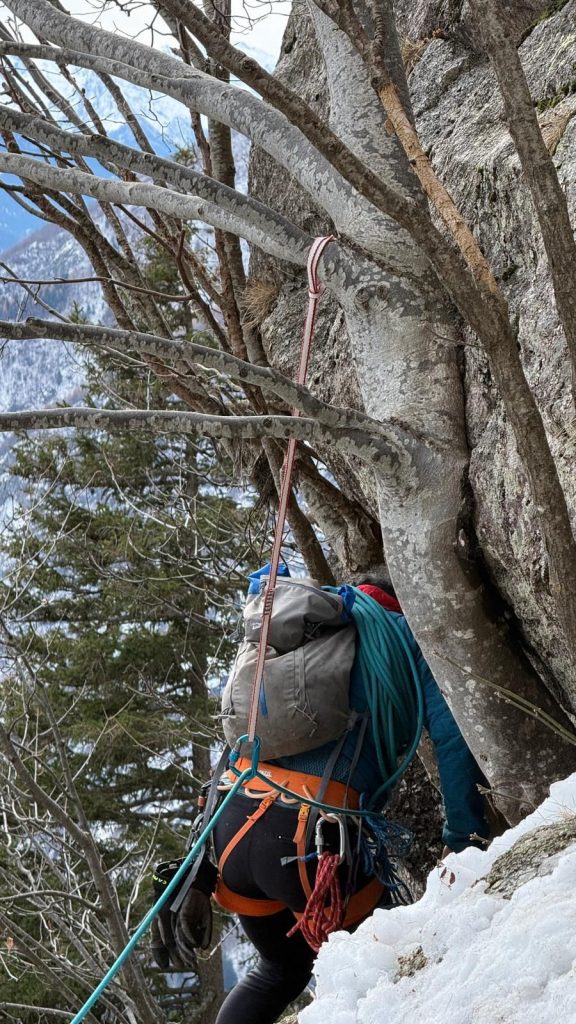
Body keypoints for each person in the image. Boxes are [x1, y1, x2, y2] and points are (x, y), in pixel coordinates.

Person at [211, 574, 490, 1024]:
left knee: (279, 969)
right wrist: (464, 838)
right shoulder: (407, 638)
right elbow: (454, 740)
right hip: (313, 839)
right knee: (389, 967)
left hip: (233, 824)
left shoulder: (293, 633)